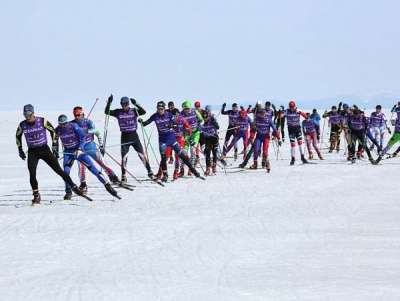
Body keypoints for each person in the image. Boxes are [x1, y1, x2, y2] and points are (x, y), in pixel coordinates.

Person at [15, 104, 84, 204]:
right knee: (32, 174)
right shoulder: (22, 125)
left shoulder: (42, 121)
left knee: (59, 170)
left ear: (33, 113)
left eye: (29, 114)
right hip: (32, 152)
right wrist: (20, 149)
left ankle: (73, 186)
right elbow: (17, 136)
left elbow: (53, 132)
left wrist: (54, 146)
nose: (27, 117)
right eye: (25, 115)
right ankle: (36, 195)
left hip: (44, 149)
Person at [54, 115, 119, 199]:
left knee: (93, 169)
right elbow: (55, 140)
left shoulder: (74, 126)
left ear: (67, 122)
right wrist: (54, 149)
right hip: (68, 153)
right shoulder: (57, 129)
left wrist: (80, 148)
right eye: (60, 124)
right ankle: (68, 191)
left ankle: (108, 185)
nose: (62, 126)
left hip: (78, 151)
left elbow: (83, 137)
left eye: (64, 124)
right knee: (66, 172)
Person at [140, 101, 203, 181]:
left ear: (164, 108)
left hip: (172, 139)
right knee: (163, 158)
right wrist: (141, 122)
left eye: (162, 109)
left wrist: (171, 125)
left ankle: (193, 170)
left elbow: (176, 123)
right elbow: (146, 123)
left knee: (182, 155)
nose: (160, 110)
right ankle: (165, 175)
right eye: (159, 109)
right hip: (162, 140)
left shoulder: (168, 114)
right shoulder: (155, 116)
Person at [105, 95, 154, 182]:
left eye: (126, 104)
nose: (125, 106)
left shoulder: (134, 111)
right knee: (124, 157)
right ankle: (123, 175)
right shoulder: (118, 112)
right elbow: (107, 112)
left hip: (134, 136)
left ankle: (150, 171)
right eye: (123, 104)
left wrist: (136, 103)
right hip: (124, 137)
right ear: (121, 104)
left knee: (141, 155)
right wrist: (109, 102)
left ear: (129, 104)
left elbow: (143, 111)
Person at [72, 106, 120, 194]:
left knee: (102, 162)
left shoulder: (88, 122)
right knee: (81, 166)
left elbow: (97, 132)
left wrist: (101, 145)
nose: (77, 117)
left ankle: (112, 176)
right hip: (80, 148)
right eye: (75, 115)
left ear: (82, 114)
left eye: (78, 115)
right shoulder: (72, 124)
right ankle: (83, 184)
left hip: (90, 145)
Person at [250, 106, 281, 172]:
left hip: (266, 137)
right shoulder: (256, 119)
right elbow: (253, 129)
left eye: (263, 114)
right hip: (259, 137)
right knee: (256, 149)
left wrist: (278, 138)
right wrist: (252, 137)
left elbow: (275, 129)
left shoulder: (268, 120)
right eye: (260, 114)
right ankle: (255, 164)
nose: (262, 115)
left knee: (265, 151)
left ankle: (267, 164)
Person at [180, 100, 204, 175]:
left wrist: (200, 127)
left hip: (195, 133)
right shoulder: (181, 115)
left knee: (193, 151)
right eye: (185, 109)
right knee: (184, 152)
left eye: (188, 108)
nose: (187, 110)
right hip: (186, 134)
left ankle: (191, 168)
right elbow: (179, 126)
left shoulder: (194, 112)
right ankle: (182, 169)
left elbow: (201, 120)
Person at [284, 100, 308, 165]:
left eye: (293, 107)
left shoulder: (298, 110)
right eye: (291, 107)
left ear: (295, 106)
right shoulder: (287, 111)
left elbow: (306, 117)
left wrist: (300, 112)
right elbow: (280, 116)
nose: (292, 108)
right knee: (293, 144)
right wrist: (281, 113)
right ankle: (293, 159)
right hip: (291, 129)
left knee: (300, 143)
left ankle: (302, 157)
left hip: (297, 128)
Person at [199, 110, 220, 175]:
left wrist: (214, 121)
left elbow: (218, 127)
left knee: (214, 152)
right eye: (204, 117)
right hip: (207, 139)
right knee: (207, 153)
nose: (205, 119)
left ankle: (214, 166)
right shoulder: (202, 125)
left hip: (214, 138)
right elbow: (200, 133)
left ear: (209, 116)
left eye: (206, 117)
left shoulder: (212, 121)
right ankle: (208, 168)